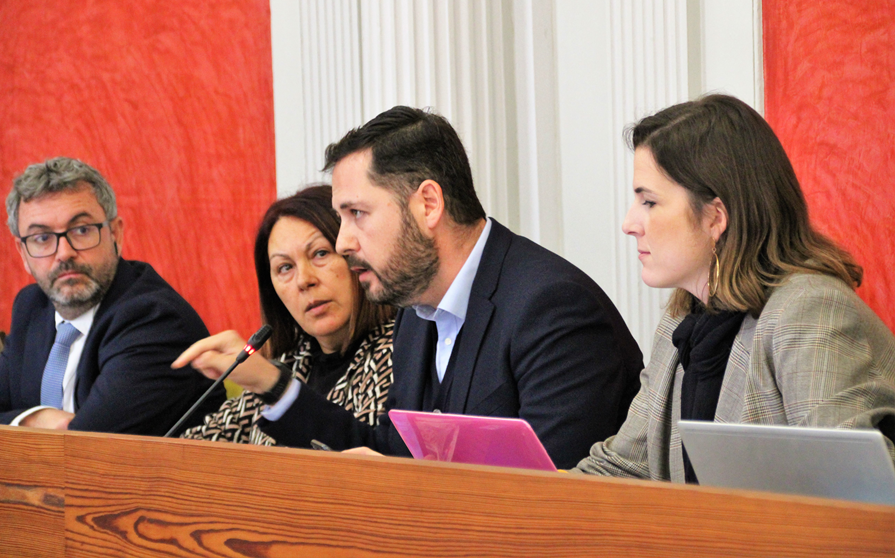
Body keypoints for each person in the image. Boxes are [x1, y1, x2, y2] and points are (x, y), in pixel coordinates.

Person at [232, 106, 643, 470]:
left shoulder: (553, 309)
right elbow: (391, 456)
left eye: (358, 213)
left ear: (428, 204)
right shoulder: (416, 315)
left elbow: (555, 501)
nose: (343, 243)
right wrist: (278, 389)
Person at [574, 94, 895, 482]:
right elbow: (624, 466)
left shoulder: (809, 311)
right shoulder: (683, 318)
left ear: (716, 217)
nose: (629, 223)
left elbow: (847, 491)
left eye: (649, 202)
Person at [0, 157, 224, 434]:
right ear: (22, 253)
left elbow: (84, 447)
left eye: (81, 230)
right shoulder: (33, 307)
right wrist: (31, 419)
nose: (64, 252)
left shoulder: (155, 321)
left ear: (115, 234)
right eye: (42, 238)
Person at [175, 185, 395, 445]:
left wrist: (275, 386)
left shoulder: (401, 352)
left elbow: (373, 463)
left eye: (320, 253)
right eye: (285, 268)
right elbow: (195, 452)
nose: (304, 280)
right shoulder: (292, 361)